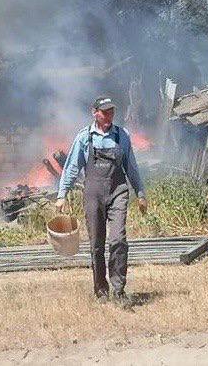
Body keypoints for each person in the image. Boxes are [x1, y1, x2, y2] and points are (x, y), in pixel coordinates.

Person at [56, 96, 148, 305]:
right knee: (96, 244)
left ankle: (118, 290)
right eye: (104, 112)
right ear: (94, 112)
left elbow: (131, 167)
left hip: (118, 192)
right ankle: (101, 290)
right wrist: (62, 194)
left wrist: (140, 193)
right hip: (93, 194)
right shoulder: (84, 138)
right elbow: (72, 167)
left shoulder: (122, 135)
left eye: (111, 112)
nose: (109, 116)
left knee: (118, 240)